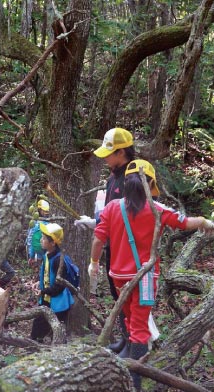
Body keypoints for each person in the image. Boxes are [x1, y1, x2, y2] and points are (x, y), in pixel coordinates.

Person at [88, 160, 214, 391]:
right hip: (145, 277)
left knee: (129, 317)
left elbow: (98, 239)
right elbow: (185, 223)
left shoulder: (111, 208)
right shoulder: (157, 209)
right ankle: (135, 384)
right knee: (139, 325)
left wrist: (94, 263)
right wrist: (205, 221)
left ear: (126, 184)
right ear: (149, 183)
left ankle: (129, 368)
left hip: (118, 275)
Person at [75, 127, 137, 354]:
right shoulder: (113, 176)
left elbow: (134, 212)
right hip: (113, 244)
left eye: (109, 154)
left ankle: (135, 342)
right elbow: (111, 209)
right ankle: (126, 337)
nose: (106, 159)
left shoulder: (134, 176)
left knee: (128, 295)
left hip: (129, 248)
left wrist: (100, 222)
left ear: (122, 152)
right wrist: (97, 220)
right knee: (116, 293)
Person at [30, 222, 76, 341]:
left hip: (57, 303)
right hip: (47, 298)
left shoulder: (58, 261)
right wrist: (39, 283)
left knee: (47, 328)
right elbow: (46, 275)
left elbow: (59, 287)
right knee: (38, 328)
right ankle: (37, 343)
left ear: (53, 243)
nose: (41, 240)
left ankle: (39, 346)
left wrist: (43, 291)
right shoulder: (47, 255)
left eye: (44, 238)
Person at [26, 199, 50, 267]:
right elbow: (30, 238)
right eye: (44, 210)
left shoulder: (48, 221)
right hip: (36, 248)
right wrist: (31, 254)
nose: (46, 212)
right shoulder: (35, 223)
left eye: (47, 211)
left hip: (44, 250)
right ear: (39, 210)